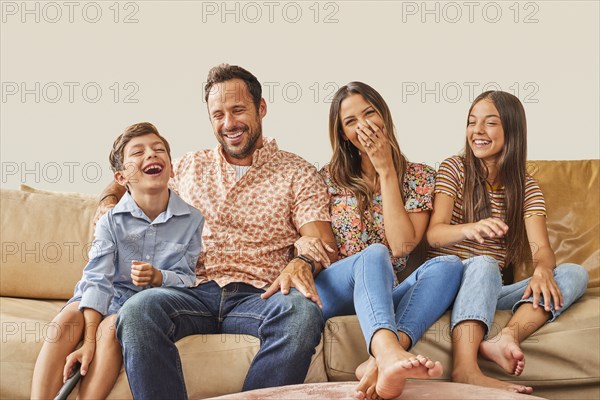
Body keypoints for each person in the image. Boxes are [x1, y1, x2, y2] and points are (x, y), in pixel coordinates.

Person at [93, 64, 335, 398]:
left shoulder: (297, 172)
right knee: (137, 310)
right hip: (191, 290)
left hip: (258, 295)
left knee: (301, 313)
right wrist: (108, 199)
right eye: (218, 115)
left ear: (261, 108)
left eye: (238, 110)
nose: (228, 124)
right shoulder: (190, 165)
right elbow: (132, 171)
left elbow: (320, 240)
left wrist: (302, 262)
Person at [295, 82, 464, 400]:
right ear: (344, 134)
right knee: (374, 254)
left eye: (369, 113)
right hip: (338, 287)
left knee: (449, 265)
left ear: (384, 116)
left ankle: (380, 359)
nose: (364, 125)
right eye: (351, 121)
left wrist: (386, 171)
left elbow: (401, 248)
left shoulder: (420, 177)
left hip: (383, 290)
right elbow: (326, 249)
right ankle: (387, 353)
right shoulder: (327, 179)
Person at [426, 91, 589, 394]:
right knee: (485, 263)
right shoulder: (454, 168)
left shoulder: (526, 186)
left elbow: (542, 248)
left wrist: (542, 270)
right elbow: (434, 233)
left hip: (487, 290)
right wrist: (470, 229)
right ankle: (465, 369)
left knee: (574, 274)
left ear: (512, 130)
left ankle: (506, 337)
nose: (477, 131)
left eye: (490, 123)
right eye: (472, 122)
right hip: (447, 283)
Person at [31, 123, 204, 399]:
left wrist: (159, 277)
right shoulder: (109, 221)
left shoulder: (193, 219)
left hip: (142, 307)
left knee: (111, 328)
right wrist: (88, 342)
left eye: (159, 150)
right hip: (103, 297)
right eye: (138, 152)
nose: (151, 154)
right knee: (65, 321)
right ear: (122, 178)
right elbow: (97, 281)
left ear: (170, 167)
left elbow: (187, 279)